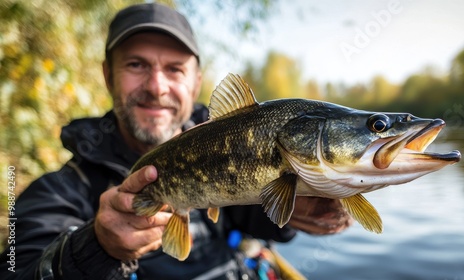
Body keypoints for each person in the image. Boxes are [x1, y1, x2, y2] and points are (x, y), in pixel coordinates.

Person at [0, 3, 352, 279]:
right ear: (108, 77)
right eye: (136, 65)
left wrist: (302, 214)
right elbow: (17, 270)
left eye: (174, 69)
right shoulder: (58, 191)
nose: (157, 87)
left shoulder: (237, 151)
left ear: (196, 82)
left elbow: (258, 215)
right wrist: (94, 247)